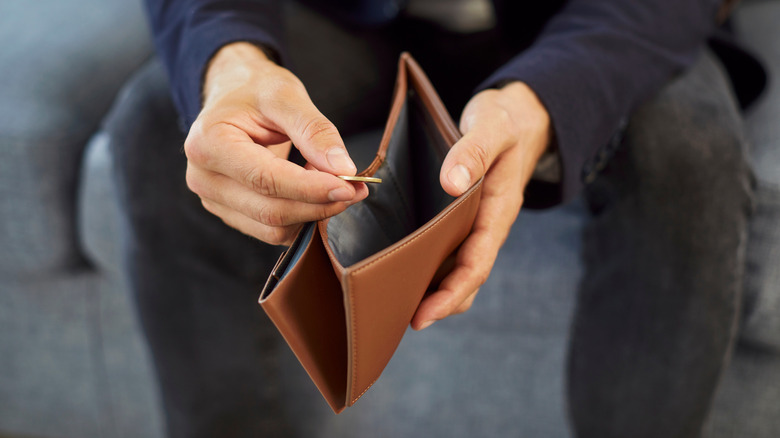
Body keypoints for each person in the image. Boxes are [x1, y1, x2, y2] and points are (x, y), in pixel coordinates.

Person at [108, 0, 760, 436]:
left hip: (597, 19)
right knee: (164, 130)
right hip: (353, 17)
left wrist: (550, 95)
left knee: (689, 158)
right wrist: (228, 59)